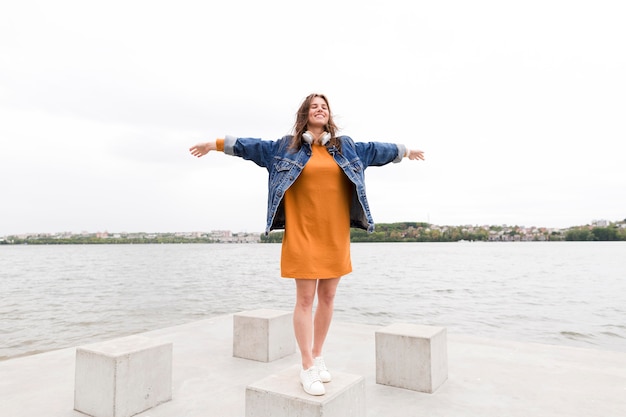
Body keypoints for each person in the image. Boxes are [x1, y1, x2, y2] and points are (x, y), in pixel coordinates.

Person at [189, 93, 424, 396]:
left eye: (324, 106)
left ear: (329, 116)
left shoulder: (346, 147)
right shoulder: (283, 148)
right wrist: (215, 144)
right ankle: (306, 366)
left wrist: (405, 151)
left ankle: (318, 354)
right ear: (305, 114)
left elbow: (377, 150)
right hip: (302, 233)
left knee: (327, 298)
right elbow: (250, 147)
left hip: (334, 235)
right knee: (304, 300)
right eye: (314, 106)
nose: (320, 109)